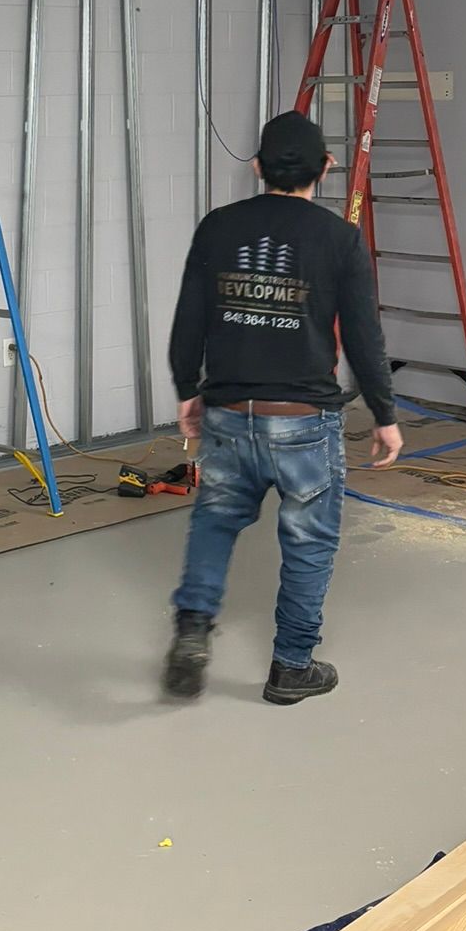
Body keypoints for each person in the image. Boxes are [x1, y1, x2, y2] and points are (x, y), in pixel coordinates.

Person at [164, 110, 402, 706]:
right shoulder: (340, 239)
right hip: (303, 424)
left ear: (257, 168)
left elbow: (189, 319)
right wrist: (385, 415)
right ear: (326, 167)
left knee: (214, 523)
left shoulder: (218, 228)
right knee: (308, 543)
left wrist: (187, 389)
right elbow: (366, 338)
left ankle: (192, 631)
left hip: (227, 413)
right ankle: (291, 668)